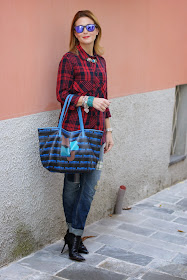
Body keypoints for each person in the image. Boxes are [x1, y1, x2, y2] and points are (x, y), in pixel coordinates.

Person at [56, 10, 114, 261]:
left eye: (89, 27)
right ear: (75, 33)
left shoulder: (101, 61)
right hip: (72, 132)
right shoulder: (69, 60)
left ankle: (74, 234)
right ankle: (74, 236)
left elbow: (106, 98)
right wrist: (89, 100)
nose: (85, 32)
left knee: (89, 188)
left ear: (97, 30)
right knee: (72, 185)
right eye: (79, 28)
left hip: (97, 132)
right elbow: (62, 94)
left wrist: (109, 131)